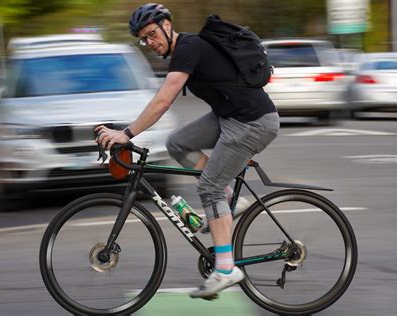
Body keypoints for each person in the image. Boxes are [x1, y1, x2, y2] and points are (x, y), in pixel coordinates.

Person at [95, 3, 280, 300]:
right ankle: (229, 199)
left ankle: (225, 268)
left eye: (153, 34)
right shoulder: (185, 51)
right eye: (144, 39)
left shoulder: (189, 46)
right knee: (177, 144)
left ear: (167, 26)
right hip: (230, 118)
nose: (150, 43)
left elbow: (163, 101)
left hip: (253, 122)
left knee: (209, 187)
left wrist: (126, 134)